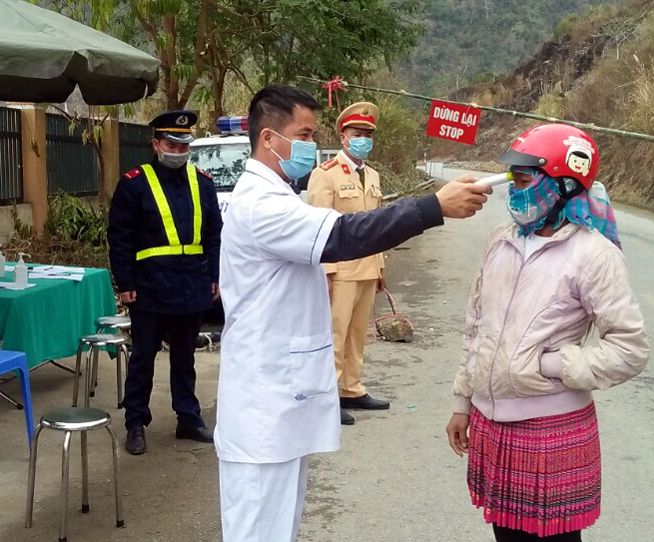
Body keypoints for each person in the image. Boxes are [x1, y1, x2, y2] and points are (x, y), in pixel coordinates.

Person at [216, 84, 491, 542]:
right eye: (303, 135)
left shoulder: (280, 193)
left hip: (279, 399)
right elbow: (344, 235)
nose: (310, 145)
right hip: (263, 404)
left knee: (278, 528)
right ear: (268, 138)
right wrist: (432, 208)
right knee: (258, 530)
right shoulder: (260, 204)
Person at [445, 124, 650, 541]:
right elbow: (476, 325)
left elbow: (629, 349)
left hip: (550, 428)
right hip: (491, 423)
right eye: (514, 182)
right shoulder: (500, 241)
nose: (514, 192)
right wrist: (462, 401)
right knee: (506, 535)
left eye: (523, 181)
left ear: (564, 185)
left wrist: (553, 365)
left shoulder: (594, 255)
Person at [108, 110, 223, 455]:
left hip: (192, 285)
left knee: (185, 358)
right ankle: (135, 422)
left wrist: (215, 276)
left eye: (183, 145)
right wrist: (125, 282)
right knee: (143, 357)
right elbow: (120, 237)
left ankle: (188, 418)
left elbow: (215, 235)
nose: (178, 151)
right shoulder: (134, 183)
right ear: (156, 144)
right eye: (172, 144)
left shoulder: (202, 182)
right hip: (149, 287)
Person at [307, 101, 389, 425]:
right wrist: (325, 271)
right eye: (357, 134)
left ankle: (351, 388)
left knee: (357, 334)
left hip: (367, 268)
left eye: (368, 134)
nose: (363, 139)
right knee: (334, 335)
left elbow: (377, 225)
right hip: (340, 270)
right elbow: (319, 227)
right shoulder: (324, 175)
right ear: (343, 137)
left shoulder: (373, 175)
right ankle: (327, 396)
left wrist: (380, 266)